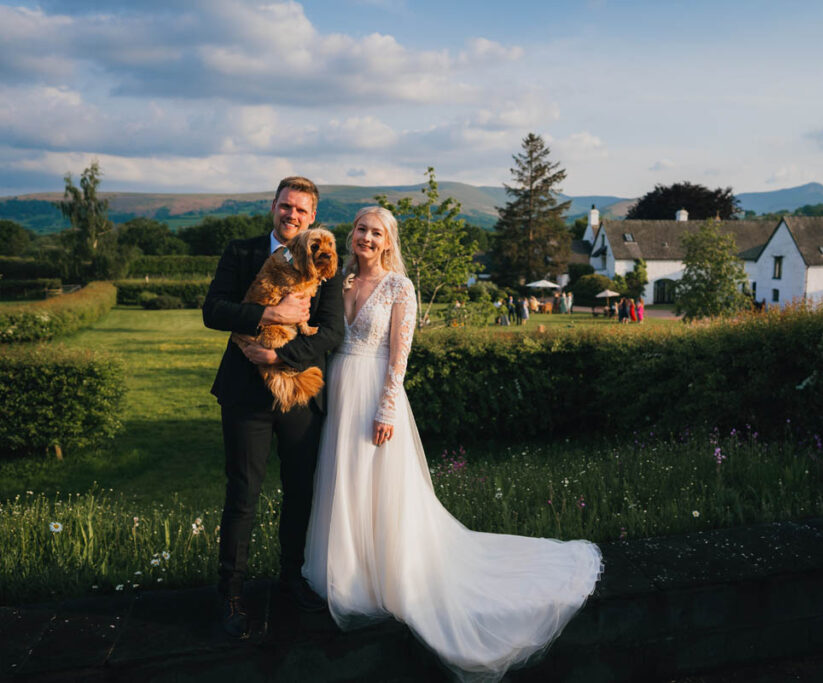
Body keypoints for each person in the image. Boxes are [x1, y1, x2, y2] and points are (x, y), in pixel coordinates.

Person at [303, 206, 602, 681]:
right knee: (344, 480)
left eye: (376, 232)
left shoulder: (400, 287)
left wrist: (386, 406)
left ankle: (389, 573)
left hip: (376, 393)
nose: (366, 236)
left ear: (387, 242)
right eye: (360, 228)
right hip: (338, 389)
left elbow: (400, 354)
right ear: (351, 234)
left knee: (378, 483)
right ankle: (349, 569)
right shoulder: (334, 283)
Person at [203, 176, 343, 638]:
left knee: (300, 491)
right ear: (273, 207)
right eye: (286, 207)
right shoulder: (241, 253)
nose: (293, 216)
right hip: (246, 396)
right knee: (243, 494)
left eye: (302, 211)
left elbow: (330, 332)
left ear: (313, 217)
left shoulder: (325, 262)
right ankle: (231, 594)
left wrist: (280, 356)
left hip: (300, 395)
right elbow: (214, 311)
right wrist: (269, 315)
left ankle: (291, 579)